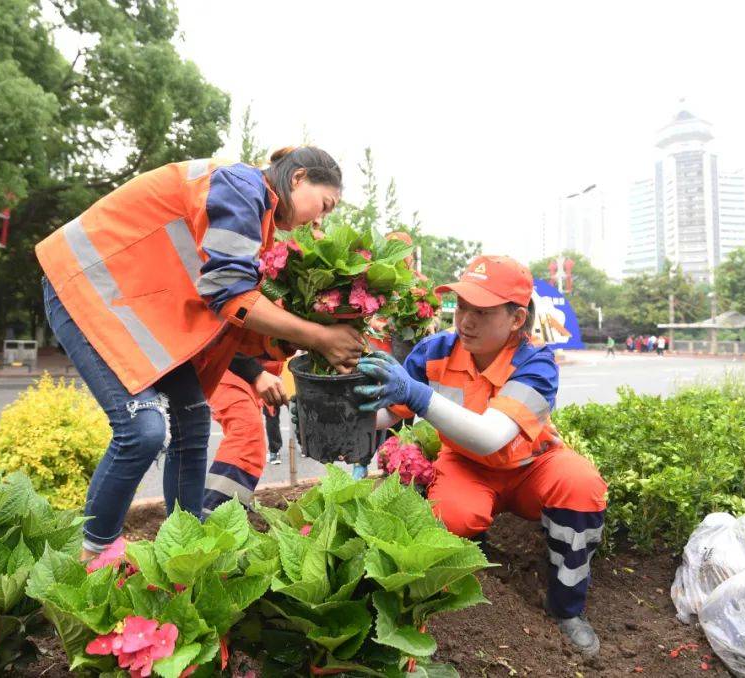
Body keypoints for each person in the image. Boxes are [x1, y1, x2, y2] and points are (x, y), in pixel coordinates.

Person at [37, 147, 365, 559]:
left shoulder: (256, 219)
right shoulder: (241, 186)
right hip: (83, 289)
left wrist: (290, 338)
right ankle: (90, 558)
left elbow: (230, 321)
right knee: (143, 431)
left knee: (192, 425)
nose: (319, 220)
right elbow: (230, 296)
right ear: (298, 178)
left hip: (130, 308)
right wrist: (318, 336)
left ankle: (186, 551)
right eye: (325, 205)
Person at [353, 255, 607, 656]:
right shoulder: (434, 351)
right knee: (450, 515)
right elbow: (388, 411)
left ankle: (566, 608)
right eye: (463, 307)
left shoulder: (535, 363)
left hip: (532, 466)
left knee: (582, 486)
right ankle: (476, 563)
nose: (465, 320)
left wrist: (417, 396)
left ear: (516, 319)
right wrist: (342, 412)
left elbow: (491, 437)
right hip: (467, 465)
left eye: (482, 311)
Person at [202, 354, 287, 517]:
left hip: (242, 370)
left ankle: (221, 508)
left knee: (250, 434)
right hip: (224, 364)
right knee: (247, 433)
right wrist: (257, 373)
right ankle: (214, 514)